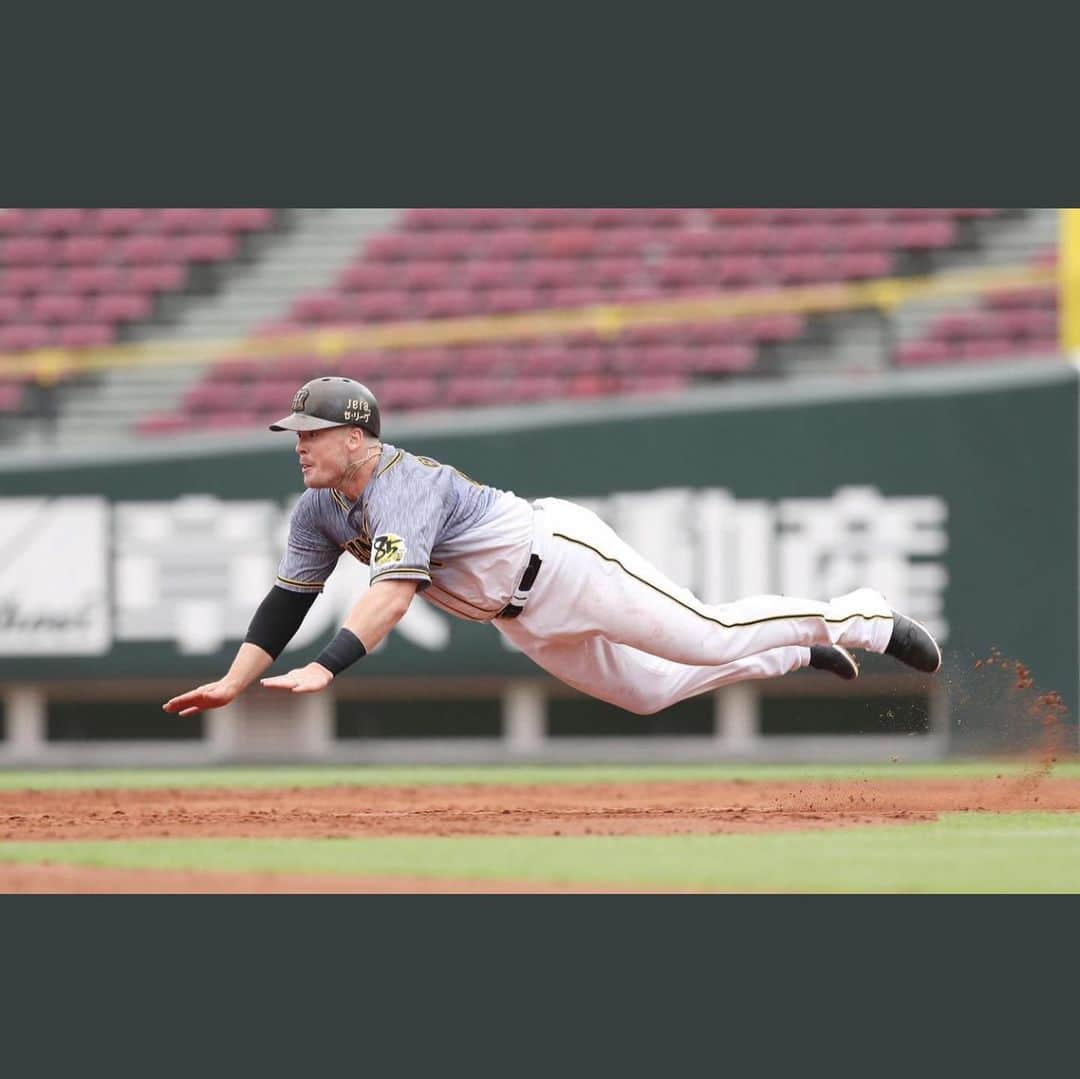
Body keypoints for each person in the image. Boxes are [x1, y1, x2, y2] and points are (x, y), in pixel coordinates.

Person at [163, 377, 942, 720]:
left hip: (564, 559)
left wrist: (328, 664)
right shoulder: (318, 509)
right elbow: (284, 602)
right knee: (647, 693)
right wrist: (234, 682)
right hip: (519, 615)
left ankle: (863, 617)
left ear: (358, 436)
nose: (298, 444)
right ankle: (793, 655)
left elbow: (392, 596)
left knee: (707, 632)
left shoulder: (402, 482)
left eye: (312, 432)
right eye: (295, 433)